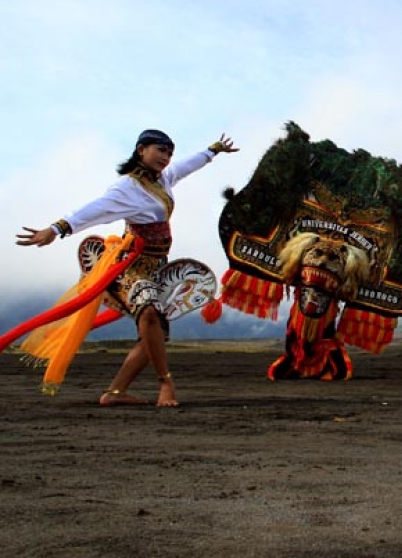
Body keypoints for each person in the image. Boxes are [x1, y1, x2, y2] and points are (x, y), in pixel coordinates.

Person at [16, 129, 239, 407]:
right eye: (160, 150)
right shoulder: (127, 187)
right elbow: (95, 208)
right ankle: (165, 383)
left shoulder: (163, 180)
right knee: (148, 313)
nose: (167, 157)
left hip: (159, 266)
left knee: (156, 333)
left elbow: (184, 168)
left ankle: (115, 393)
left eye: (169, 152)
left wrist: (212, 151)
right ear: (141, 149)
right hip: (131, 266)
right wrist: (57, 228)